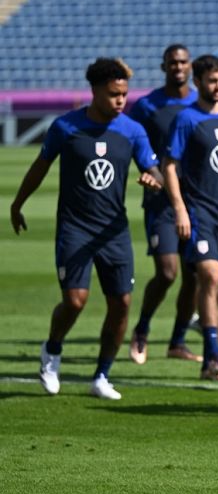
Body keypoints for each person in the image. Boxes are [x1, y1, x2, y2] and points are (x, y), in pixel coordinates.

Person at [10, 58, 161, 399]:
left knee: (121, 303)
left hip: (114, 232)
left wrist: (155, 180)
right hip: (75, 229)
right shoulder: (66, 127)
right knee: (75, 302)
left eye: (124, 94)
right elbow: (40, 167)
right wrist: (17, 204)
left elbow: (156, 171)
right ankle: (51, 351)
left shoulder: (133, 130)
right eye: (113, 94)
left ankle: (101, 376)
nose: (121, 101)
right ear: (94, 91)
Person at [163, 54, 218, 383]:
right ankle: (215, 353)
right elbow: (170, 166)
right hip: (198, 212)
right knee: (211, 276)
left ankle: (210, 358)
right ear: (198, 82)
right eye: (212, 81)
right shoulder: (186, 119)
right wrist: (179, 208)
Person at [128, 44, 203, 364]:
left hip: (197, 201)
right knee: (168, 272)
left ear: (190, 67)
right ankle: (142, 329)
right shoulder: (147, 106)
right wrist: (147, 173)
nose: (178, 67)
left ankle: (177, 341)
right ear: (163, 66)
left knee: (194, 276)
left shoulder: (200, 104)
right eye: (172, 62)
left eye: (183, 62)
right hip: (161, 201)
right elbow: (132, 143)